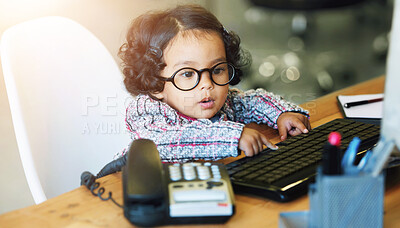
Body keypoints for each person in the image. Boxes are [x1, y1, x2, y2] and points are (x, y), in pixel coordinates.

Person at [116, 4, 310, 162]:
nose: (207, 84)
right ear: (154, 84)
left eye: (217, 70)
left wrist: (281, 114)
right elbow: (161, 143)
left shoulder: (218, 102)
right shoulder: (147, 112)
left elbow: (253, 101)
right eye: (188, 74)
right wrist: (233, 137)